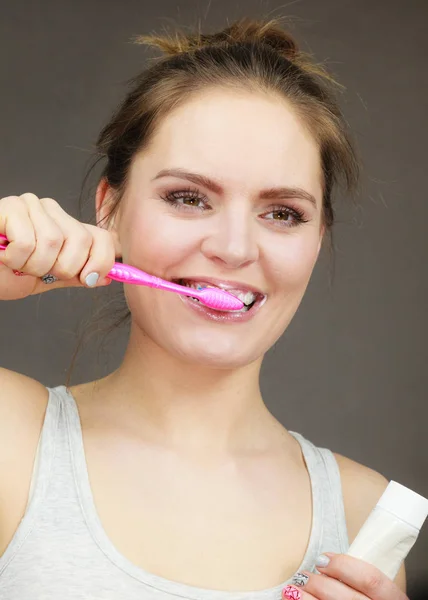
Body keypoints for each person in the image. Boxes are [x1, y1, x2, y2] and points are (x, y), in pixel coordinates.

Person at [0, 16, 409, 600]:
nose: (235, 248)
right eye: (188, 198)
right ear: (109, 209)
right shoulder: (10, 441)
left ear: (317, 240)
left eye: (282, 213)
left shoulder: (367, 519)